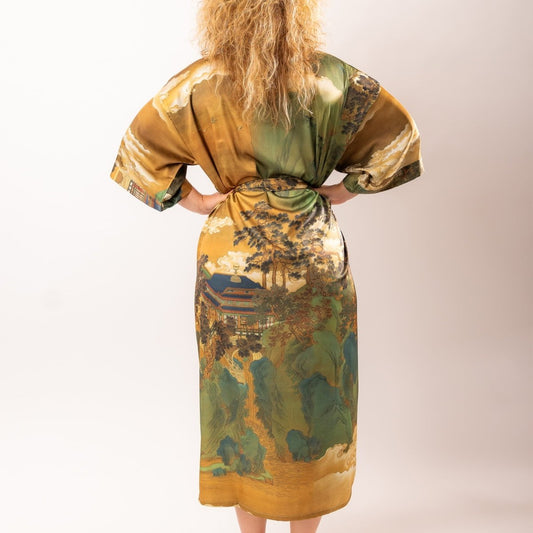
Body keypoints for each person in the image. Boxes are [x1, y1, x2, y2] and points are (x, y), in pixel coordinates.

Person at [108, 0, 424, 531]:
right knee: (309, 400)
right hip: (311, 257)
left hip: (233, 261)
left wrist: (199, 201)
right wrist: (339, 191)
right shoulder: (330, 80)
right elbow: (399, 140)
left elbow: (140, 150)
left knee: (241, 396)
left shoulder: (200, 84)